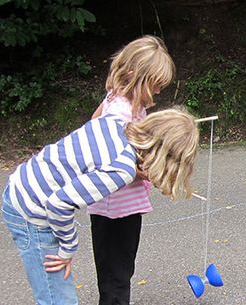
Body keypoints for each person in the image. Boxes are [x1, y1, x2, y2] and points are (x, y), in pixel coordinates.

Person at [1, 108, 199, 305]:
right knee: (58, 300)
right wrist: (67, 249)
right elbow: (58, 204)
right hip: (31, 208)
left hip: (23, 183)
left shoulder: (115, 121)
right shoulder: (122, 170)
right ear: (167, 158)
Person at [88, 35, 175, 305]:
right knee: (116, 275)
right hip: (114, 208)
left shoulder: (125, 103)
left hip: (124, 204)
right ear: (134, 76)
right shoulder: (120, 112)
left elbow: (94, 121)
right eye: (155, 85)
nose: (158, 92)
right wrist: (143, 172)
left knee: (120, 270)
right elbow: (107, 152)